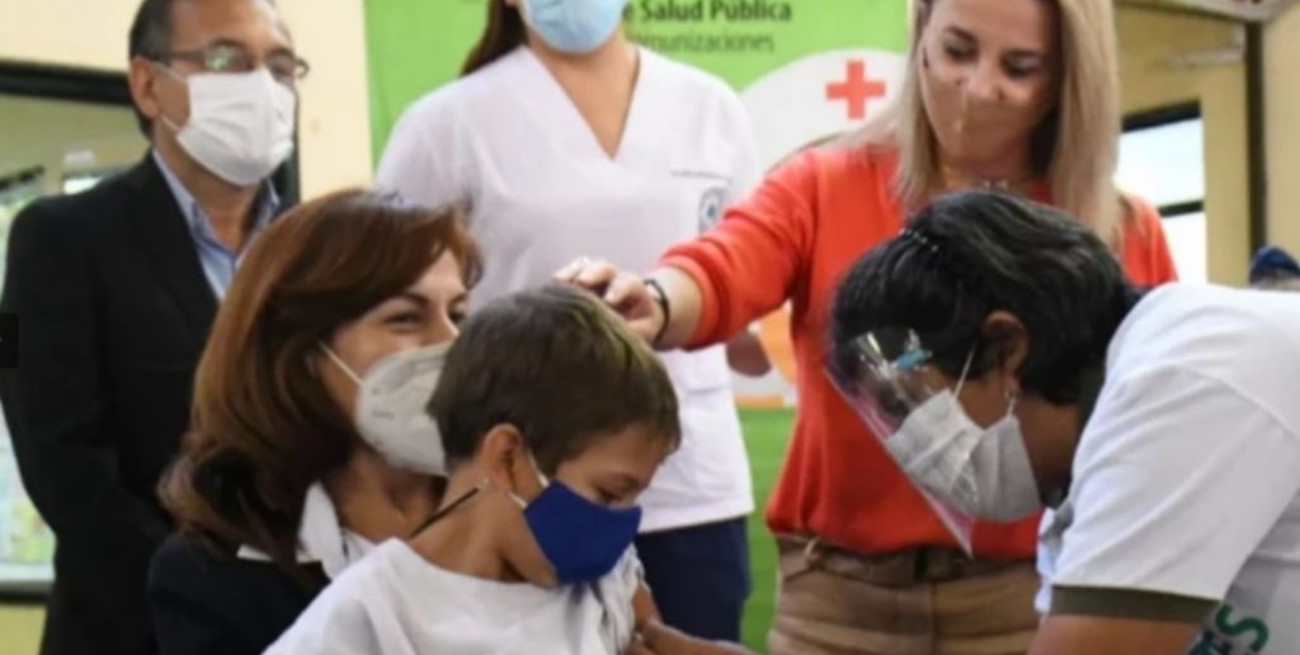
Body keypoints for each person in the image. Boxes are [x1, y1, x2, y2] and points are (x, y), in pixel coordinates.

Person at [559, 0, 1179, 652]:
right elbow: (724, 266)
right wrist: (656, 299)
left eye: (1019, 68)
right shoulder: (823, 183)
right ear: (922, 32)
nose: (977, 88)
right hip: (839, 606)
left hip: (1031, 605)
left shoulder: (1123, 229)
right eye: (958, 51)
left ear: (1067, 78)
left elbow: (1159, 427)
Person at [374, 0, 758, 640]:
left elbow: (744, 280)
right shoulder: (446, 124)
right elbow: (392, 298)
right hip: (528, 489)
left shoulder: (710, 107)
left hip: (691, 486)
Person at [827, 190, 1300, 655]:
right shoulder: (1075, 500)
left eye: (909, 403)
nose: (912, 446)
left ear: (1005, 348)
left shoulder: (1183, 378)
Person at [0, 1, 302, 652]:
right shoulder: (58, 240)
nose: (261, 87)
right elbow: (64, 465)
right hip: (132, 627)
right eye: (225, 60)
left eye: (280, 68)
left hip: (306, 625)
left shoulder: (320, 252)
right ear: (146, 84)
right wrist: (210, 600)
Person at [266, 284, 725, 654]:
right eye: (608, 494)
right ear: (506, 456)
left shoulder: (606, 585)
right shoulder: (369, 619)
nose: (622, 527)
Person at [144, 190, 480, 654]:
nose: (450, 343)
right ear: (301, 353)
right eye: (405, 319)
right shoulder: (213, 574)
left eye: (458, 314)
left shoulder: (512, 506)